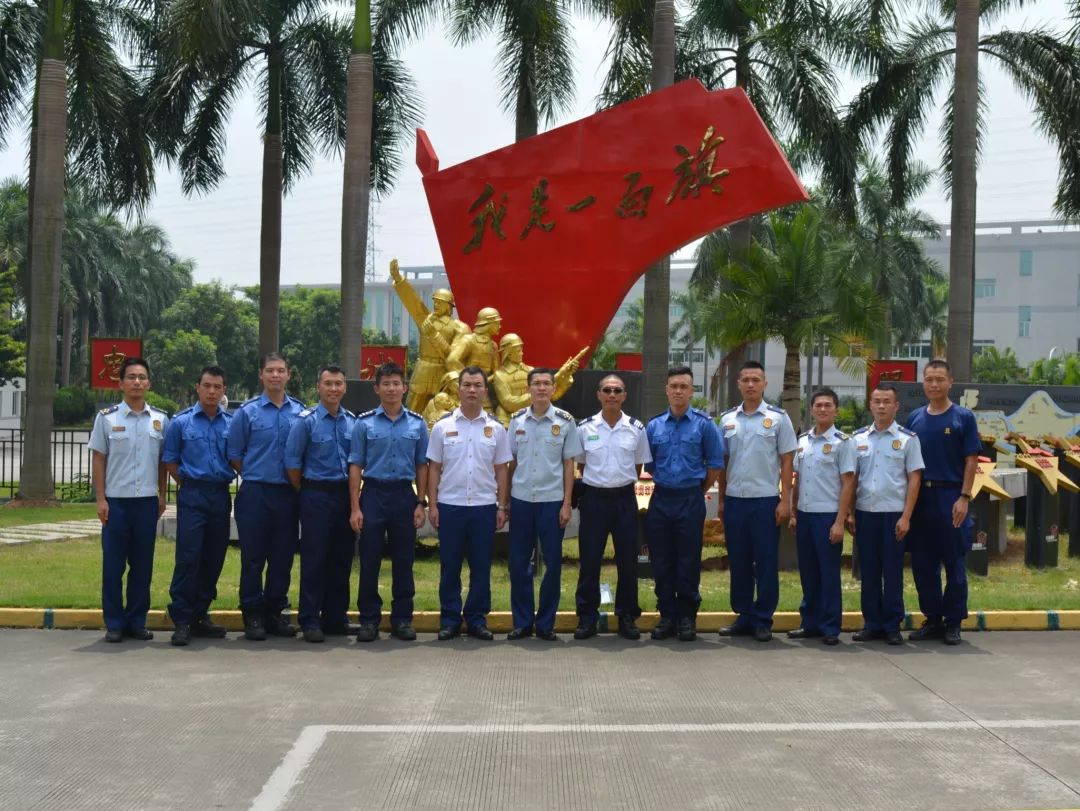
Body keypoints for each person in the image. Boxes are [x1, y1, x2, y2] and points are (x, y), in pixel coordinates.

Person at [426, 366, 511, 641]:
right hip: (450, 506)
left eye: (477, 385)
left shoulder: (496, 429)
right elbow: (434, 469)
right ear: (458, 389)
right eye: (467, 385)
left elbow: (501, 470)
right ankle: (450, 620)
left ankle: (476, 618)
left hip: (484, 507)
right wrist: (433, 505)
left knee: (481, 566)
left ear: (485, 391)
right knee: (449, 566)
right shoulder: (442, 427)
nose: (472, 390)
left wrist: (502, 506)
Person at [89, 357, 169, 643]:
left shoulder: (160, 420)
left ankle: (136, 621)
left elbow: (163, 462)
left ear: (148, 383)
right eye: (131, 377)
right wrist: (100, 499)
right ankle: (114, 623)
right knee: (113, 566)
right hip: (116, 503)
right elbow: (99, 459)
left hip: (147, 502)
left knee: (142, 565)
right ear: (120, 383)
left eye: (142, 377)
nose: (137, 382)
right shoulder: (107, 418)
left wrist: (162, 495)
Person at [226, 352, 306, 640]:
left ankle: (275, 611)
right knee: (253, 557)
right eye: (270, 370)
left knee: (282, 557)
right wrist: (256, 472)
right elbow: (234, 454)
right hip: (256, 493)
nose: (275, 375)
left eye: (280, 370)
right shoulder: (247, 412)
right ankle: (253, 614)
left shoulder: (300, 412)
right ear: (261, 375)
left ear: (288, 375)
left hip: (288, 494)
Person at [716, 360, 797, 643]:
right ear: (738, 384)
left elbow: (787, 460)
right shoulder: (727, 420)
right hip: (735, 501)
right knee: (738, 561)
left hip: (765, 502)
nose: (750, 384)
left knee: (764, 561)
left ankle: (763, 619)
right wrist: (723, 500)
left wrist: (785, 500)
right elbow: (723, 462)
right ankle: (744, 616)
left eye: (756, 380)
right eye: (746, 379)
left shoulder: (778, 418)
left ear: (765, 384)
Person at [348, 363, 429, 642]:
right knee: (369, 560)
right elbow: (356, 465)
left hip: (404, 496)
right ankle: (369, 620)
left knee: (404, 561)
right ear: (376, 389)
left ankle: (402, 619)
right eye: (386, 384)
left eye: (397, 383)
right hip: (372, 494)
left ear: (404, 388)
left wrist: (421, 503)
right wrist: (355, 507)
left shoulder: (418, 424)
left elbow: (422, 465)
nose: (392, 389)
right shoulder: (364, 423)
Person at [644, 366, 724, 642]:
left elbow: (715, 464)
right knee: (662, 559)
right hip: (662, 498)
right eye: (674, 386)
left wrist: (697, 489)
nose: (678, 391)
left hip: (690, 499)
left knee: (688, 559)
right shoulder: (654, 426)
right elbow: (650, 464)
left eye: (684, 386)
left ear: (691, 391)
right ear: (667, 390)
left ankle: (687, 618)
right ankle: (667, 615)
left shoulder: (704, 425)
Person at [905, 359, 980, 646]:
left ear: (951, 382)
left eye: (939, 379)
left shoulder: (963, 417)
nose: (934, 384)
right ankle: (933, 619)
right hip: (920, 497)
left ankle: (953, 621)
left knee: (954, 563)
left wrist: (964, 497)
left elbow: (971, 460)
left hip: (951, 496)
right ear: (923, 383)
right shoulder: (914, 418)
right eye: (929, 379)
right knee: (923, 564)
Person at [505, 367, 582, 641]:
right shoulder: (517, 421)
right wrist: (505, 503)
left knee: (553, 564)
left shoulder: (565, 421)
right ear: (528, 388)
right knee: (518, 563)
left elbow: (569, 463)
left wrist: (566, 503)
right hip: (522, 499)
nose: (541, 388)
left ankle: (546, 623)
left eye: (546, 383)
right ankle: (523, 622)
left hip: (551, 501)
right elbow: (510, 463)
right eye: (536, 383)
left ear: (553, 389)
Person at [163, 366, 235, 646]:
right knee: (189, 557)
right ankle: (181, 619)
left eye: (218, 387)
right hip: (193, 494)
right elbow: (170, 461)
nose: (212, 391)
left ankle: (200, 614)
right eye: (207, 386)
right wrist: (189, 484)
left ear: (224, 390)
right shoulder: (181, 422)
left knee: (213, 556)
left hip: (220, 494)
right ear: (198, 387)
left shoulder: (230, 423)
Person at [574, 375, 651, 640]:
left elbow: (639, 466)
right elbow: (581, 466)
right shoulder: (584, 428)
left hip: (624, 501)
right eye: (607, 390)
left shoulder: (636, 428)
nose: (612, 394)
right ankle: (586, 617)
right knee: (590, 561)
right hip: (594, 499)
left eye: (617, 390)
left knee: (628, 562)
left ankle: (627, 616)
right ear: (598, 394)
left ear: (624, 396)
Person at [285, 365, 356, 643]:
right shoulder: (306, 421)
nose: (334, 389)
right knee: (314, 559)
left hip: (345, 496)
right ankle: (310, 619)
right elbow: (292, 464)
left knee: (341, 559)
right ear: (319, 387)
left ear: (344, 387)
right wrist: (307, 490)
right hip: (315, 495)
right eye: (328, 383)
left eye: (338, 383)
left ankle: (336, 618)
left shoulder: (352, 422)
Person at [850, 383, 924, 646]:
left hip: (893, 515)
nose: (881, 406)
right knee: (868, 571)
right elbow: (852, 479)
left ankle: (892, 624)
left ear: (896, 406)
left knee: (892, 571)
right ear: (870, 405)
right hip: (865, 514)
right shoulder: (857, 439)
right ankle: (872, 623)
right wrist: (849, 513)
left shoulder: (907, 439)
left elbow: (914, 479)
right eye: (876, 401)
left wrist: (906, 517)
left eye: (886, 402)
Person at [788, 388, 856, 646]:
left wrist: (840, 520)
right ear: (812, 409)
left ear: (836, 410)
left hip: (828, 517)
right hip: (805, 515)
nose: (823, 409)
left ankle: (829, 626)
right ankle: (810, 623)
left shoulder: (842, 442)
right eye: (818, 405)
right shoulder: (803, 441)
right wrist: (794, 512)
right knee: (808, 572)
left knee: (828, 573)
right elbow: (798, 479)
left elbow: (848, 483)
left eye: (828, 405)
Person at [390, 259, 471, 413]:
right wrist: (399, 280)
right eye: (435, 301)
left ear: (449, 306)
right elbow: (413, 302)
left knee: (442, 410)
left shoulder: (459, 327)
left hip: (442, 371)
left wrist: (434, 335)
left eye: (440, 302)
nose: (436, 304)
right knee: (412, 409)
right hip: (423, 368)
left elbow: (452, 357)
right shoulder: (426, 319)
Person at [446, 307, 502, 376]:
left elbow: (497, 372)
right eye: (497, 323)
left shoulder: (493, 346)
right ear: (489, 324)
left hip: (486, 384)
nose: (499, 326)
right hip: (470, 384)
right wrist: (469, 378)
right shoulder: (469, 340)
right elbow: (452, 361)